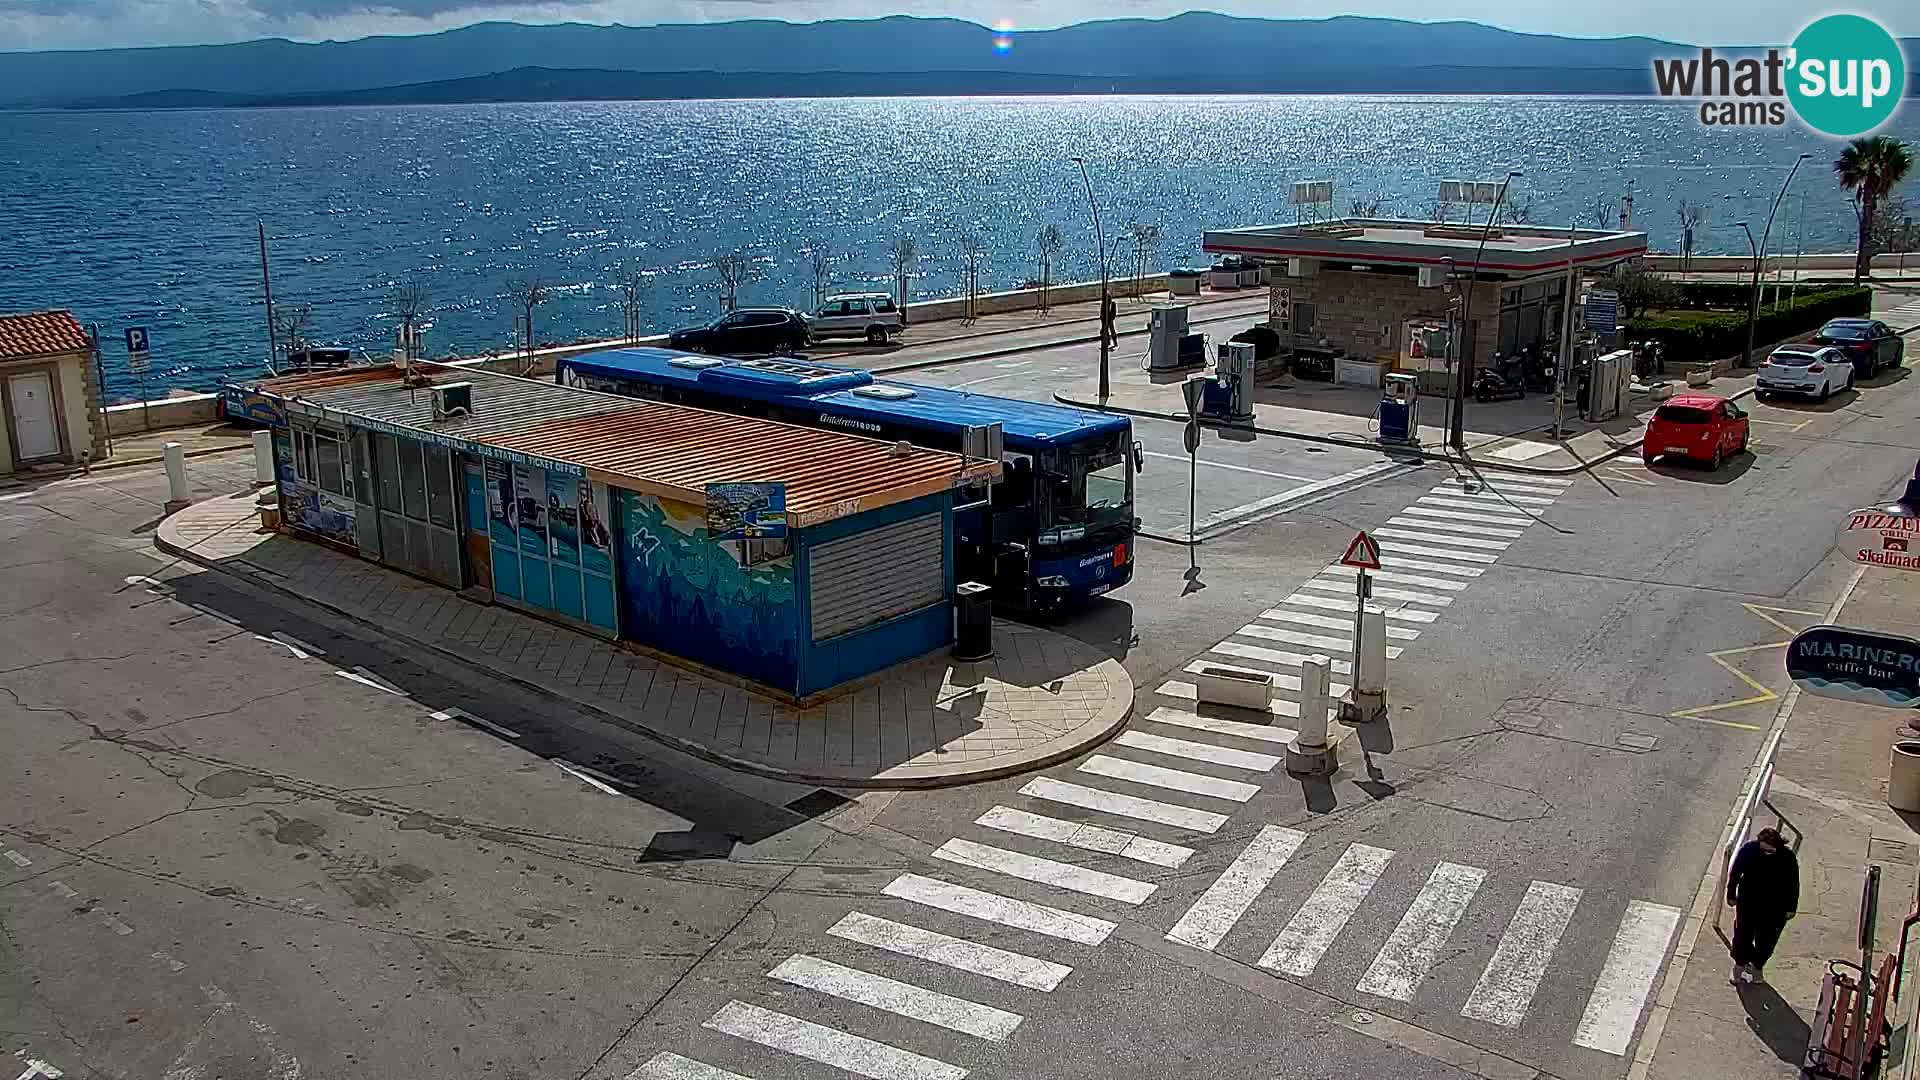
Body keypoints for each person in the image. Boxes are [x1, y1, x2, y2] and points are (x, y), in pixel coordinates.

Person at [1727, 827, 1799, 985]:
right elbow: (1735, 873)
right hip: (1749, 902)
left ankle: (1757, 968)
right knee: (1742, 937)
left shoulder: (1787, 857)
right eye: (1763, 849)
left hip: (1775, 907)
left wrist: (1791, 908)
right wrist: (1731, 895)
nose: (1766, 854)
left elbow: (1793, 884)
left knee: (1767, 942)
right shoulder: (1749, 850)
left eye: (1770, 851)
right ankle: (1739, 968)